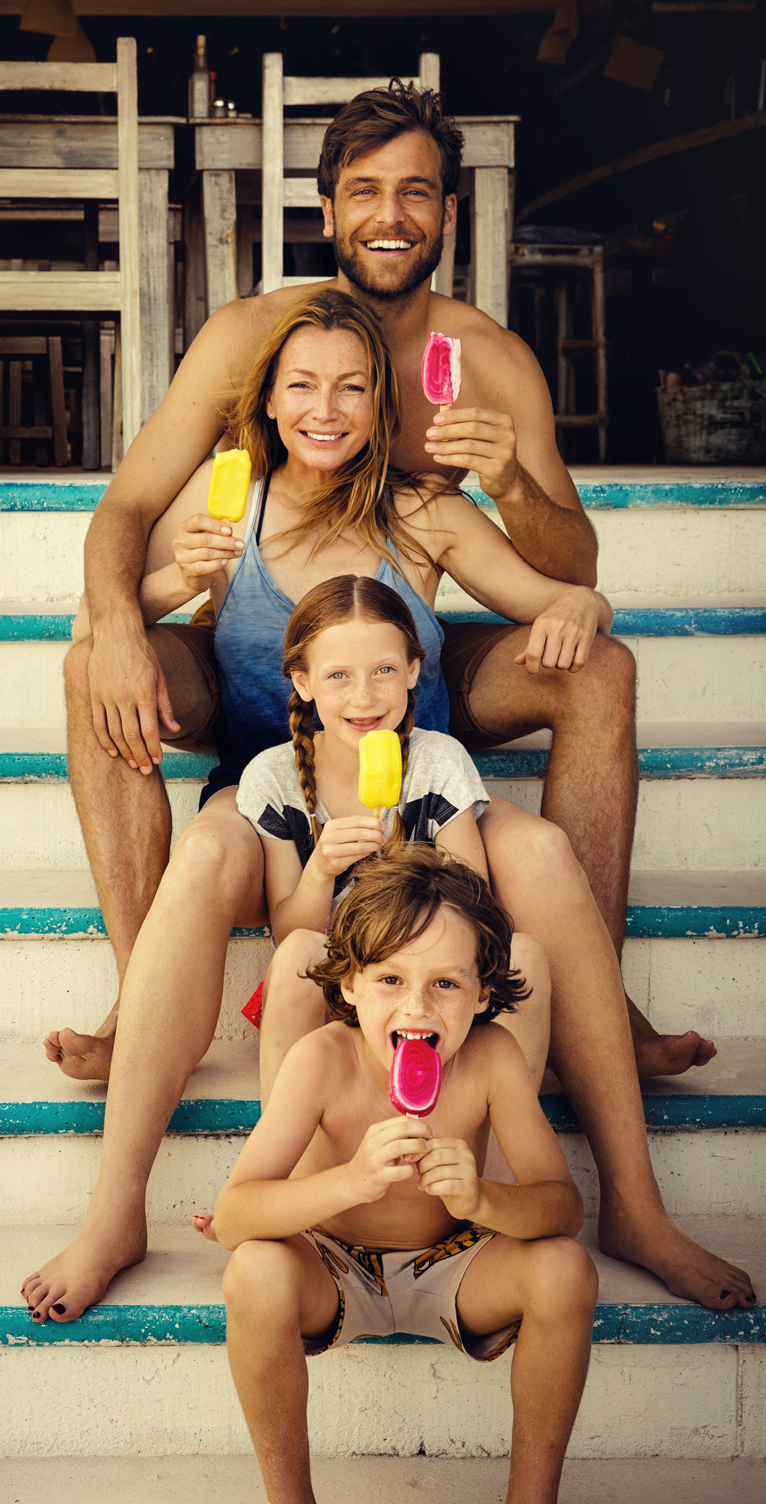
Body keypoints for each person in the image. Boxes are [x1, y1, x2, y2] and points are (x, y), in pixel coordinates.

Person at [22, 290, 755, 1324]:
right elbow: (102, 612)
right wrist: (163, 589)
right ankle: (113, 1211)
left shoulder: (420, 508)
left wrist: (584, 607)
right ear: (267, 401)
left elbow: (558, 593)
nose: (325, 410)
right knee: (198, 862)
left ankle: (635, 1204)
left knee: (543, 855)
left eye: (352, 389)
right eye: (301, 387)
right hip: (274, 784)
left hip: (425, 788)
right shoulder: (228, 501)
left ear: (381, 405)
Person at [50, 77, 713, 1087]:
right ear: (327, 211)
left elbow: (571, 568)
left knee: (602, 670)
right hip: (249, 669)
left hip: (408, 681)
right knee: (94, 663)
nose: (389, 215)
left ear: (447, 212)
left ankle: (596, 1004)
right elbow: (126, 510)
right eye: (364, 190)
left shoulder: (489, 361)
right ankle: (141, 1003)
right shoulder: (252, 339)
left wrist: (507, 482)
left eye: (415, 191)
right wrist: (117, 625)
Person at [209, 847, 626, 1504]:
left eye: (446, 984)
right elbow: (235, 1214)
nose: (417, 1006)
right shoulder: (322, 1061)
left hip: (454, 1266)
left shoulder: (492, 1059)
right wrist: (350, 1182)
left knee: (563, 1269)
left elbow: (561, 1206)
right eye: (392, 979)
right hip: (333, 1270)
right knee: (254, 1270)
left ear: (484, 993)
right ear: (349, 985)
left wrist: (482, 1200)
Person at [234, 574, 549, 1111]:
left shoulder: (437, 762)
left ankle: (493, 1144)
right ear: (303, 682)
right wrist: (321, 870)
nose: (364, 696)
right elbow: (290, 934)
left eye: (383, 670)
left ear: (413, 672)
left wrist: (407, 877)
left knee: (527, 955)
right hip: (339, 982)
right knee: (296, 956)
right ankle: (287, 1149)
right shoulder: (273, 777)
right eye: (338, 675)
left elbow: (474, 906)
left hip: (429, 981)